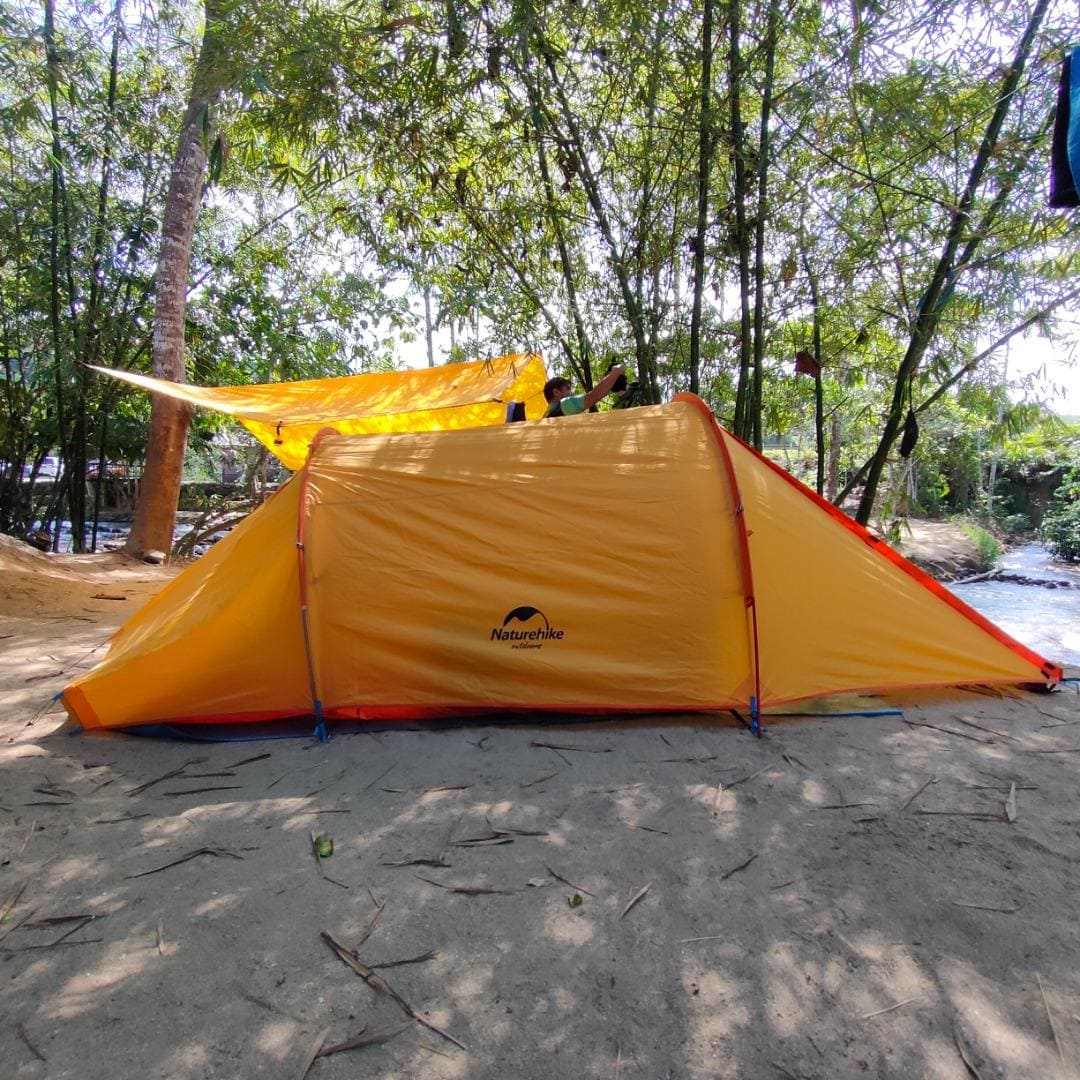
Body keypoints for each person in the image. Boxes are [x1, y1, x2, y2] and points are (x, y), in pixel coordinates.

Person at [543, 363, 627, 418]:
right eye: (568, 388)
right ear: (556, 392)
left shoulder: (545, 417)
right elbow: (594, 396)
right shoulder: (565, 404)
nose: (571, 393)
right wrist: (617, 370)